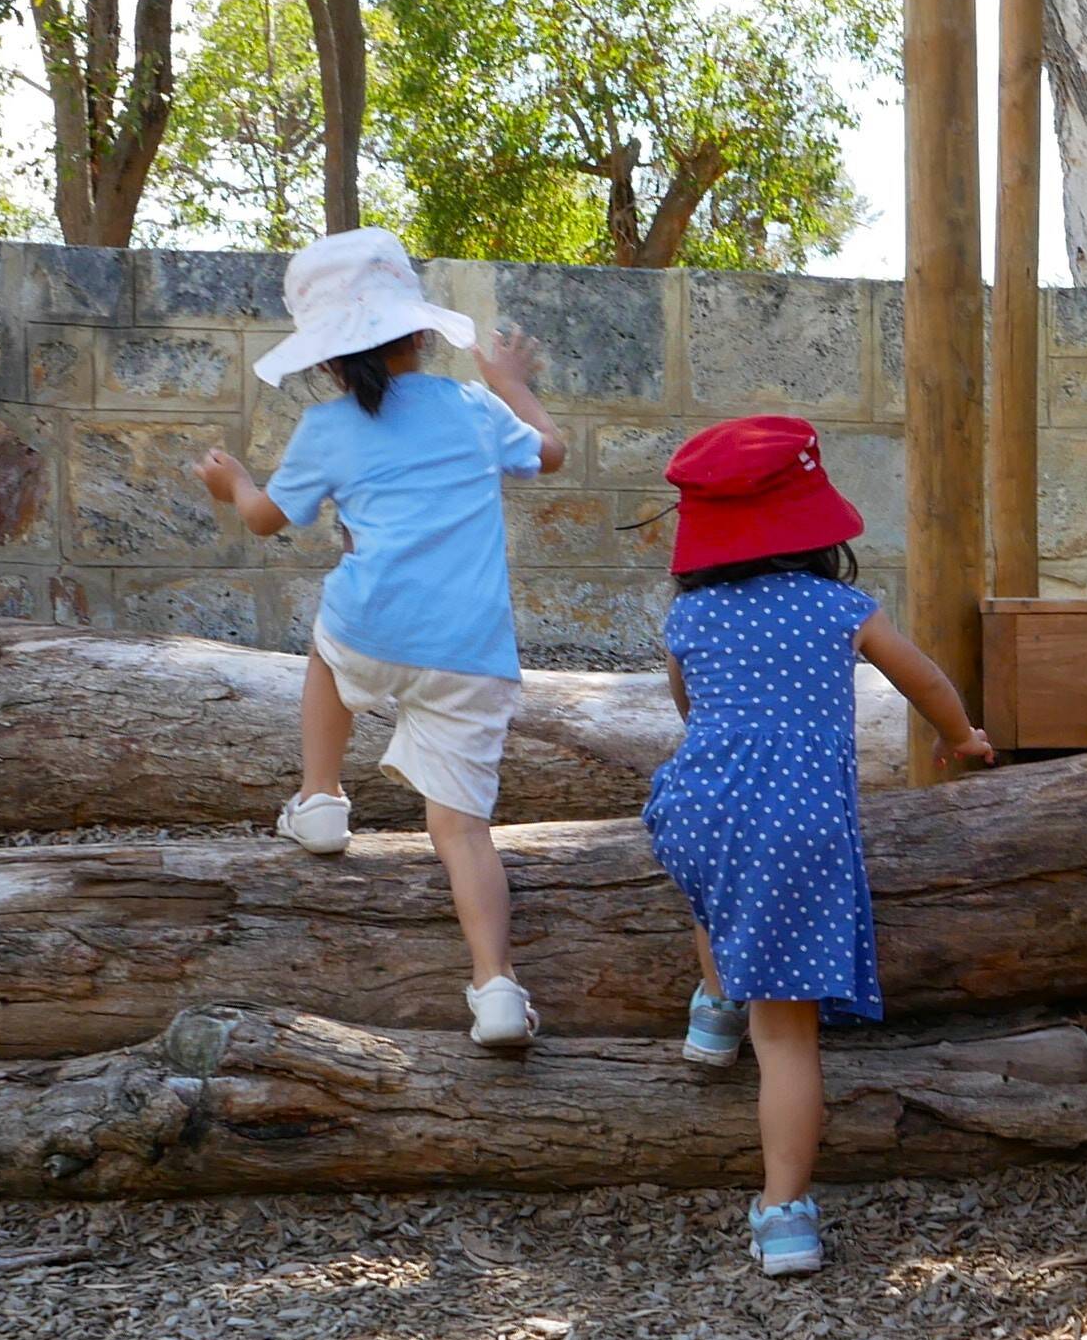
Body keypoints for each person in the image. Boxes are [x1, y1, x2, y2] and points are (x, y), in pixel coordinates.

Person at [194, 226, 567, 1053]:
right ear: (424, 333)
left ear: (325, 359)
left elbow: (265, 521)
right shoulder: (473, 408)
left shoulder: (327, 428)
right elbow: (551, 452)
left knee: (326, 651)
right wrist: (508, 384)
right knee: (463, 833)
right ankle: (495, 987)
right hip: (471, 652)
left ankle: (321, 799)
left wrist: (233, 482)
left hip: (370, 628)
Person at [644, 414, 994, 1278]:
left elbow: (690, 709)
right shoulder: (840, 607)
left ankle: (714, 1003)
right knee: (790, 1038)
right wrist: (962, 735)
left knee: (716, 885)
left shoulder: (690, 618)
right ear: (813, 524)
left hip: (696, 801)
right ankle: (785, 1213)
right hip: (798, 824)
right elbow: (922, 677)